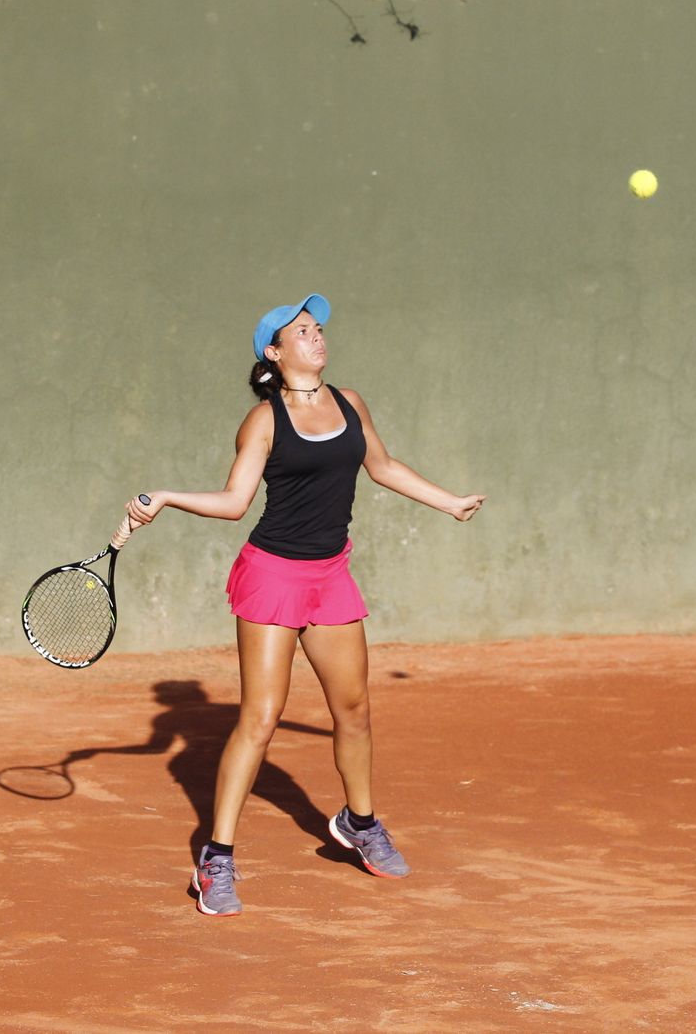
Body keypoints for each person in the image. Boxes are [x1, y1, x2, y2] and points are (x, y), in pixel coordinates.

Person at [124, 293, 485, 917]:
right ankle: (216, 859)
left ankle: (358, 822)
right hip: (273, 575)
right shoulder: (264, 420)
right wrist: (168, 495)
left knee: (355, 710)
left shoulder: (351, 402)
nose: (316, 336)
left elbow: (384, 466)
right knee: (260, 719)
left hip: (331, 574)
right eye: (302, 331)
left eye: (318, 328)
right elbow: (236, 501)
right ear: (275, 351)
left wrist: (447, 502)